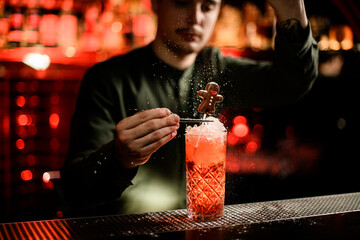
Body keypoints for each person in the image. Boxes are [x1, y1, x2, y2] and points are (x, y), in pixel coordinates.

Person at [61, 0, 318, 216]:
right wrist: (118, 157)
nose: (195, 17)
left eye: (207, 6)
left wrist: (292, 11)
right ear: (156, 3)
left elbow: (293, 82)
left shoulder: (217, 69)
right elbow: (76, 189)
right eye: (183, 1)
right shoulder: (107, 79)